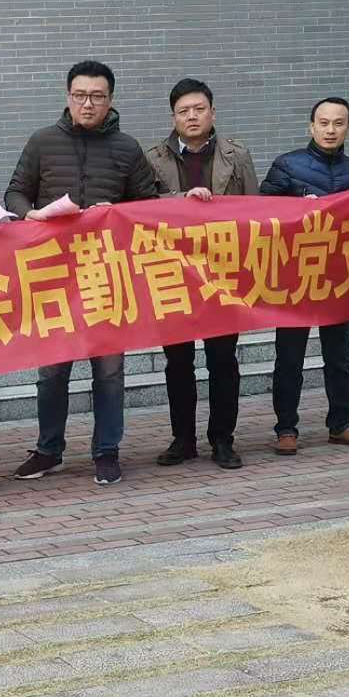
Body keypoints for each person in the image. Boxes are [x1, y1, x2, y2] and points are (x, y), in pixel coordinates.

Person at [4, 60, 158, 485]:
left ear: (110, 100)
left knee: (109, 370)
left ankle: (106, 451)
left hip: (108, 274)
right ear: (67, 97)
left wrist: (118, 213)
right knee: (52, 369)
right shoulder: (42, 142)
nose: (87, 104)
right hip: (53, 273)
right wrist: (30, 213)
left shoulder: (127, 148)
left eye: (97, 97)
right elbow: (15, 192)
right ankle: (48, 449)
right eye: (80, 96)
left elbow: (149, 205)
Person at [145, 77, 258, 470]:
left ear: (212, 112)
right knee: (177, 362)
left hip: (223, 272)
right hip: (172, 273)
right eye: (183, 111)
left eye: (199, 109)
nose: (191, 116)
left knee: (223, 360)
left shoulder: (236, 154)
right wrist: (182, 201)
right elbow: (141, 207)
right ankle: (183, 439)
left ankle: (223, 439)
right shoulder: (153, 158)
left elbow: (254, 211)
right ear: (173, 117)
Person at [260, 97, 349, 455]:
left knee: (339, 356)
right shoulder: (286, 165)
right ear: (311, 126)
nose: (330, 130)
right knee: (289, 357)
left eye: (338, 123)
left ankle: (341, 423)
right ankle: (286, 428)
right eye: (323, 123)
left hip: (338, 275)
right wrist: (298, 209)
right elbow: (261, 213)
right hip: (295, 276)